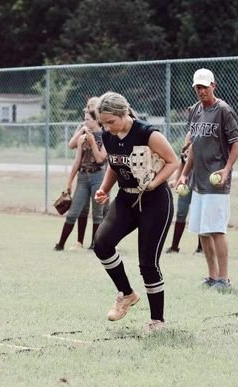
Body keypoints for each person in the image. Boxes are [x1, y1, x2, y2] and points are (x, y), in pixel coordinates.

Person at [93, 91, 178, 333]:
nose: (107, 127)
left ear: (124, 113)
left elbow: (173, 162)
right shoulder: (109, 136)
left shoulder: (147, 133)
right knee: (102, 243)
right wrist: (104, 189)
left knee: (148, 263)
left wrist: (154, 183)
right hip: (126, 198)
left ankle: (157, 321)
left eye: (111, 121)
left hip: (155, 200)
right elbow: (114, 164)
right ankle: (127, 294)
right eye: (103, 123)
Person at [177, 68, 238, 291]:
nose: (201, 90)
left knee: (216, 230)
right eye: (198, 87)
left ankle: (224, 278)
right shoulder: (195, 110)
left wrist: (226, 169)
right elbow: (195, 146)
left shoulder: (224, 110)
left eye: (205, 86)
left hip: (217, 182)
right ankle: (212, 276)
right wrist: (184, 174)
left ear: (213, 86)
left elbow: (237, 142)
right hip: (198, 182)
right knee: (202, 231)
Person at [55, 105, 107, 251]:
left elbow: (100, 159)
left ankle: (94, 245)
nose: (84, 122)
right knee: (73, 212)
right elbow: (77, 161)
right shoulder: (82, 138)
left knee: (97, 213)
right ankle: (60, 244)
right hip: (83, 177)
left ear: (97, 120)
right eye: (84, 119)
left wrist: (92, 142)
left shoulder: (106, 137)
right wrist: (69, 182)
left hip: (98, 176)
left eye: (87, 119)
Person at [67, 97, 102, 250]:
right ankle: (79, 241)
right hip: (83, 173)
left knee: (100, 211)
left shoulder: (104, 130)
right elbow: (71, 145)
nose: (86, 114)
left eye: (90, 109)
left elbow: (101, 158)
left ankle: (97, 243)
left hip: (99, 174)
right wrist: (82, 130)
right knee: (82, 209)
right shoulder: (83, 128)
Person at [166, 131, 202, 254]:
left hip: (200, 184)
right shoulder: (186, 149)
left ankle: (201, 248)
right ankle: (174, 247)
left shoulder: (203, 147)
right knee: (181, 213)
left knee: (200, 215)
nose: (189, 138)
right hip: (185, 184)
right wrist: (175, 180)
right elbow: (181, 164)